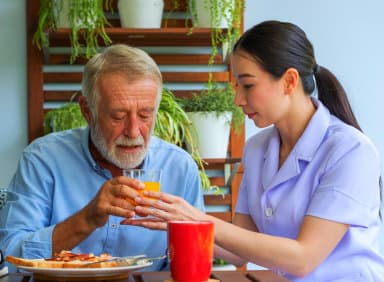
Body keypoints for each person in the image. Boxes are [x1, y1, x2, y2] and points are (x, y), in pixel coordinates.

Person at [122, 21, 384, 281]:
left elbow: (303, 259)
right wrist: (176, 223)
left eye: (247, 85)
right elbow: (237, 251)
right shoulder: (257, 149)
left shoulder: (350, 151)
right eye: (237, 85)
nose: (238, 99)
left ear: (289, 81)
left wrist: (197, 219)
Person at [0, 44, 204, 272]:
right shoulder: (42, 160)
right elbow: (10, 258)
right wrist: (85, 220)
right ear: (88, 111)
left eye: (146, 115)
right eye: (118, 117)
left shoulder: (180, 167)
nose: (133, 131)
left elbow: (194, 260)